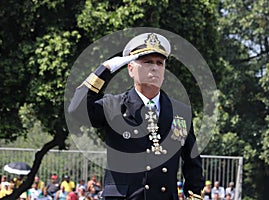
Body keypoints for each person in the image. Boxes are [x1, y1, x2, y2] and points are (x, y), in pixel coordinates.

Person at [68, 32, 204, 199]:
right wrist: (105, 70)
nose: (155, 67)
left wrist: (194, 195)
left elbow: (192, 162)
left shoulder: (180, 111)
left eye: (160, 63)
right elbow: (76, 109)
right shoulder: (114, 106)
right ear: (130, 69)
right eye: (147, 62)